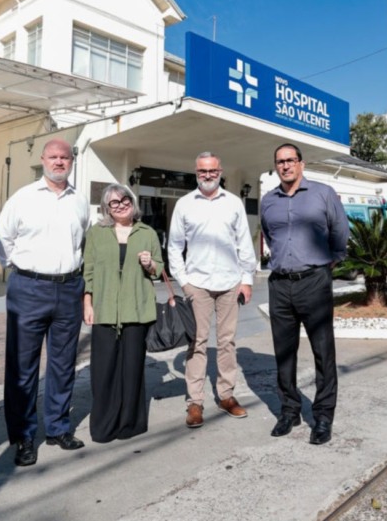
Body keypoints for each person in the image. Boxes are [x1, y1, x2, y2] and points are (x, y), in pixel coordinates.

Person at [0, 138, 91, 466]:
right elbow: (2, 241)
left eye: (65, 157)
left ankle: (58, 428)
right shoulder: (22, 198)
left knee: (64, 365)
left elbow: (83, 242)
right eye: (53, 156)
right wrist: (24, 270)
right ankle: (23, 436)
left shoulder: (80, 201)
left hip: (68, 290)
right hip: (29, 288)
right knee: (23, 368)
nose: (59, 162)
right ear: (43, 159)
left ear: (71, 161)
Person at [259, 143, 348, 445]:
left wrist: (327, 262)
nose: (285, 166)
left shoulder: (323, 194)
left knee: (323, 352)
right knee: (284, 353)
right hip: (280, 284)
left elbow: (340, 231)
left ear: (301, 164)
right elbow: (269, 235)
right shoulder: (268, 201)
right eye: (280, 161)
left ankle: (323, 416)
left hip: (314, 281)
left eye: (290, 160)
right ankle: (289, 410)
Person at [168, 151, 257, 428]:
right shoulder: (184, 204)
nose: (208, 175)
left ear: (221, 172)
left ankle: (226, 395)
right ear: (196, 172)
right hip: (198, 285)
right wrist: (184, 281)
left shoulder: (233, 203)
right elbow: (174, 246)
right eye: (202, 171)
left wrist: (247, 279)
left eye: (213, 171)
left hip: (230, 283)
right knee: (197, 343)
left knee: (227, 342)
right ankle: (195, 402)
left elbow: (244, 242)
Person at [83, 184, 163, 442]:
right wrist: (88, 302)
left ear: (132, 201)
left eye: (124, 199)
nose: (120, 205)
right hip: (104, 309)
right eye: (113, 202)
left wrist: (150, 263)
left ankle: (130, 423)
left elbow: (159, 270)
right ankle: (104, 425)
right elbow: (89, 271)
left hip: (136, 308)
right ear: (107, 208)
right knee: (103, 370)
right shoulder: (96, 233)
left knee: (132, 369)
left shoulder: (147, 232)